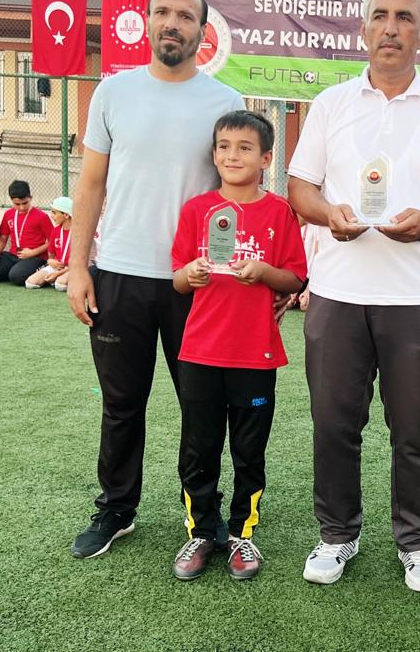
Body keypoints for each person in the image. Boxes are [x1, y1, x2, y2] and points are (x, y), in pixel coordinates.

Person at [287, 0, 420, 593]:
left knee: (414, 430)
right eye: (380, 16)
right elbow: (300, 188)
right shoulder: (332, 104)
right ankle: (336, 534)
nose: (391, 28)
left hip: (417, 296)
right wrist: (329, 215)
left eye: (404, 17)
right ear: (363, 28)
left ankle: (416, 541)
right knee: (333, 424)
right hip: (338, 292)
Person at [66, 0, 246, 560]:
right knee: (122, 404)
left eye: (185, 16)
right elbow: (90, 184)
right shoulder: (113, 92)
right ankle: (117, 509)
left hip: (195, 281)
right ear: (147, 22)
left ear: (202, 31)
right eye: (162, 12)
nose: (173, 23)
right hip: (119, 274)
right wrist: (78, 266)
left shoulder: (225, 100)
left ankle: (204, 515)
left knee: (201, 404)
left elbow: (238, 193)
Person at [169, 110, 307, 580]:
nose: (233, 156)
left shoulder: (279, 212)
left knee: (249, 449)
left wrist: (264, 273)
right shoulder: (196, 210)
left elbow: (294, 278)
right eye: (224, 147)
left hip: (254, 354)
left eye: (245, 148)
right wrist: (190, 274)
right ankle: (201, 531)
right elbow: (177, 279)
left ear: (266, 158)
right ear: (213, 155)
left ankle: (242, 535)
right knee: (199, 446)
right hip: (200, 352)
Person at [0, 180, 53, 284]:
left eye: (25, 203)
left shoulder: (42, 216)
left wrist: (33, 252)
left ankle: (38, 269)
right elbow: (2, 238)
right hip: (12, 256)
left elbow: (52, 241)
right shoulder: (8, 214)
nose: (22, 207)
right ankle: (12, 270)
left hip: (35, 257)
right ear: (11, 200)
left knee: (16, 277)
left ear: (31, 198)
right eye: (17, 204)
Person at [26, 196, 74, 291]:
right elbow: (51, 256)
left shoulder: (79, 233)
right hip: (57, 267)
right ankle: (56, 279)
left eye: (54, 213)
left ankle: (59, 279)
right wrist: (50, 261)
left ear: (66, 215)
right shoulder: (56, 230)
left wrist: (57, 274)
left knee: (60, 285)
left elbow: (82, 263)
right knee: (30, 283)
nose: (52, 216)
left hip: (72, 269)